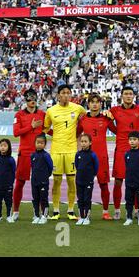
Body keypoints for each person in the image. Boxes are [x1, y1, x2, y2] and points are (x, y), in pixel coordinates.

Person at [44, 84, 87, 220]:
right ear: (58, 95)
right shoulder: (51, 111)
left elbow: (88, 119)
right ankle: (56, 211)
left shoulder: (78, 108)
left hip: (71, 150)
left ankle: (70, 210)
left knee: (71, 181)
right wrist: (55, 134)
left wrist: (78, 133)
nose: (66, 95)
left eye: (69, 93)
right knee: (56, 180)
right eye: (63, 93)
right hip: (56, 150)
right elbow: (45, 129)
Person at [109, 86, 139, 220]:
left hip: (137, 150)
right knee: (118, 181)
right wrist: (119, 133)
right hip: (121, 149)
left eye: (130, 94)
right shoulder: (114, 110)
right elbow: (108, 123)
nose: (128, 96)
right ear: (121, 96)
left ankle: (138, 209)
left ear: (134, 96)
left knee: (138, 181)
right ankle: (116, 210)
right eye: (126, 94)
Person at [77, 93, 117, 220]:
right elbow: (76, 134)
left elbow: (118, 131)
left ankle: (105, 211)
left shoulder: (106, 119)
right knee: (82, 185)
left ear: (101, 104)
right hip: (86, 158)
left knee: (103, 184)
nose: (94, 104)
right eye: (92, 102)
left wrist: (113, 118)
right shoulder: (83, 119)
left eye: (97, 102)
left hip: (101, 157)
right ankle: (82, 212)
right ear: (88, 104)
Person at [12, 89, 47, 221]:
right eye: (29, 98)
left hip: (39, 155)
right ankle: (15, 211)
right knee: (20, 183)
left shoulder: (42, 114)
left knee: (39, 184)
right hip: (25, 153)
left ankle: (39, 213)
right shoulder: (19, 114)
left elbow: (47, 130)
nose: (32, 100)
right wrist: (31, 126)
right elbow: (16, 133)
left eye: (34, 97)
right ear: (25, 99)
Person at [123, 131, 139, 226]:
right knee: (129, 200)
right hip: (129, 181)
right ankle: (129, 217)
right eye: (130, 140)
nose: (132, 141)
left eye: (134, 139)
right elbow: (127, 165)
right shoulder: (127, 154)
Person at [75, 134, 99, 226]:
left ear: (90, 143)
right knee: (80, 199)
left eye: (85, 141)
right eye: (82, 141)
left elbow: (96, 167)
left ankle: (87, 217)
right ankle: (81, 217)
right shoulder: (78, 154)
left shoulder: (92, 155)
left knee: (87, 199)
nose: (83, 143)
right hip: (79, 180)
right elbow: (77, 165)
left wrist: (92, 175)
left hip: (88, 180)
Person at [0, 139, 16, 223]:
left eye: (5, 146)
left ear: (9, 148)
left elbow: (13, 171)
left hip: (8, 185)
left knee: (8, 201)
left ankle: (9, 216)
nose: (3, 147)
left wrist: (10, 183)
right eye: (1, 145)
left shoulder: (11, 160)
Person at [30, 134, 53, 225]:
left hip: (43, 181)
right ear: (35, 143)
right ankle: (36, 215)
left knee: (43, 199)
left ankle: (44, 216)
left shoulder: (46, 155)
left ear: (45, 144)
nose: (39, 144)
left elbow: (50, 166)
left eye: (41, 143)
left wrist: (46, 176)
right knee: (35, 198)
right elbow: (32, 167)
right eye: (38, 142)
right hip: (34, 181)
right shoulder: (33, 155)